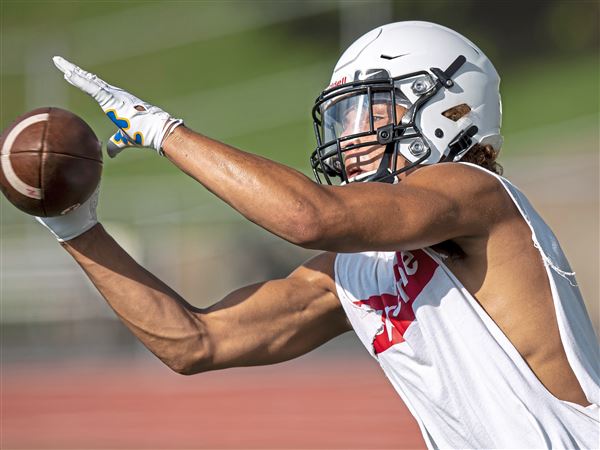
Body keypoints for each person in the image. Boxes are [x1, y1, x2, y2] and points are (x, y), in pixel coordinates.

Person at [37, 22, 598, 449]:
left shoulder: (475, 192)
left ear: (448, 107)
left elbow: (311, 218)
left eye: (370, 112)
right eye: (343, 119)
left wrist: (163, 131)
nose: (350, 138)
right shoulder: (355, 269)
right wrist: (76, 228)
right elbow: (196, 342)